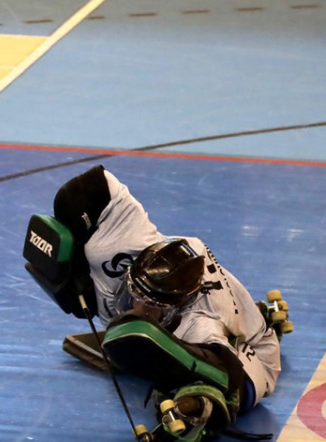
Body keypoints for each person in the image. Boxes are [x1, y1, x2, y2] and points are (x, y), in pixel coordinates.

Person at [23, 165, 285, 440]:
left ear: (175, 308)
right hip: (219, 309)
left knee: (213, 391)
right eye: (134, 294)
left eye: (151, 306)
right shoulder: (135, 243)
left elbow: (229, 374)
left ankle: (201, 396)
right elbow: (91, 187)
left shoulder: (199, 324)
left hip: (258, 358)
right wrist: (72, 243)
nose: (138, 307)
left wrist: (194, 403)